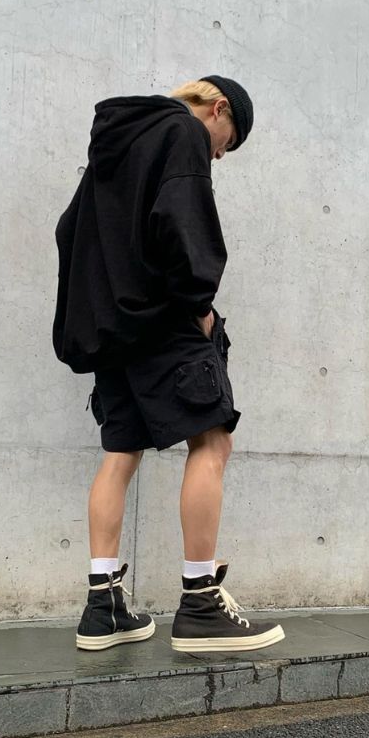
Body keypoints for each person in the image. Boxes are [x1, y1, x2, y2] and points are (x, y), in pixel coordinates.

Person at [52, 76, 284, 653]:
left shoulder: (115, 145)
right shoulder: (182, 131)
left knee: (120, 453)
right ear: (218, 108)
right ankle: (201, 604)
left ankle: (103, 609)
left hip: (114, 332)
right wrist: (199, 307)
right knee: (213, 440)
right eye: (227, 143)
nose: (219, 156)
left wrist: (103, 309)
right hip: (164, 321)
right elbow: (183, 222)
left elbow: (69, 230)